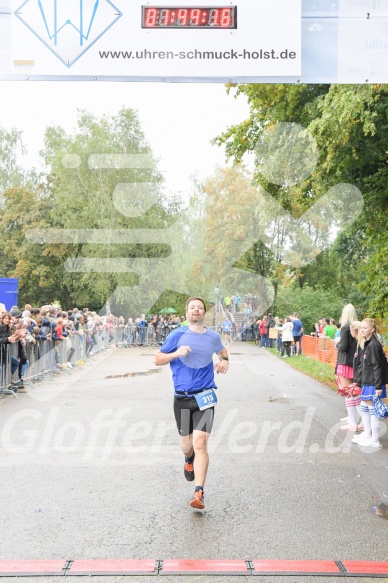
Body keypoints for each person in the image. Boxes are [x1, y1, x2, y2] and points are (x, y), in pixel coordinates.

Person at [155, 296, 229, 510]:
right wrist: (176, 353)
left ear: (204, 313)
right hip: (183, 397)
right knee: (186, 445)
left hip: (204, 396)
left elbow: (223, 353)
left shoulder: (213, 337)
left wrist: (225, 361)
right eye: (192, 307)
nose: (196, 310)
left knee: (200, 443)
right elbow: (158, 358)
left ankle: (199, 491)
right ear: (186, 312)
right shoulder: (177, 335)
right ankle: (188, 459)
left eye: (200, 308)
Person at [351, 318, 388, 449]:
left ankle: (374, 439)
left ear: (372, 330)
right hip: (367, 381)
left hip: (373, 383)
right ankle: (367, 434)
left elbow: (377, 366)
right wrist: (360, 381)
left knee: (373, 410)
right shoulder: (368, 343)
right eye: (361, 328)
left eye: (365, 328)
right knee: (365, 407)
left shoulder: (373, 345)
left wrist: (378, 386)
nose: (362, 330)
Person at [335, 304, 358, 428]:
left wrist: (337, 344)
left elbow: (343, 347)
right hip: (355, 362)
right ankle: (352, 417)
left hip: (345, 362)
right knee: (354, 391)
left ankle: (352, 420)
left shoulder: (345, 328)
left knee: (347, 391)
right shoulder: (357, 327)